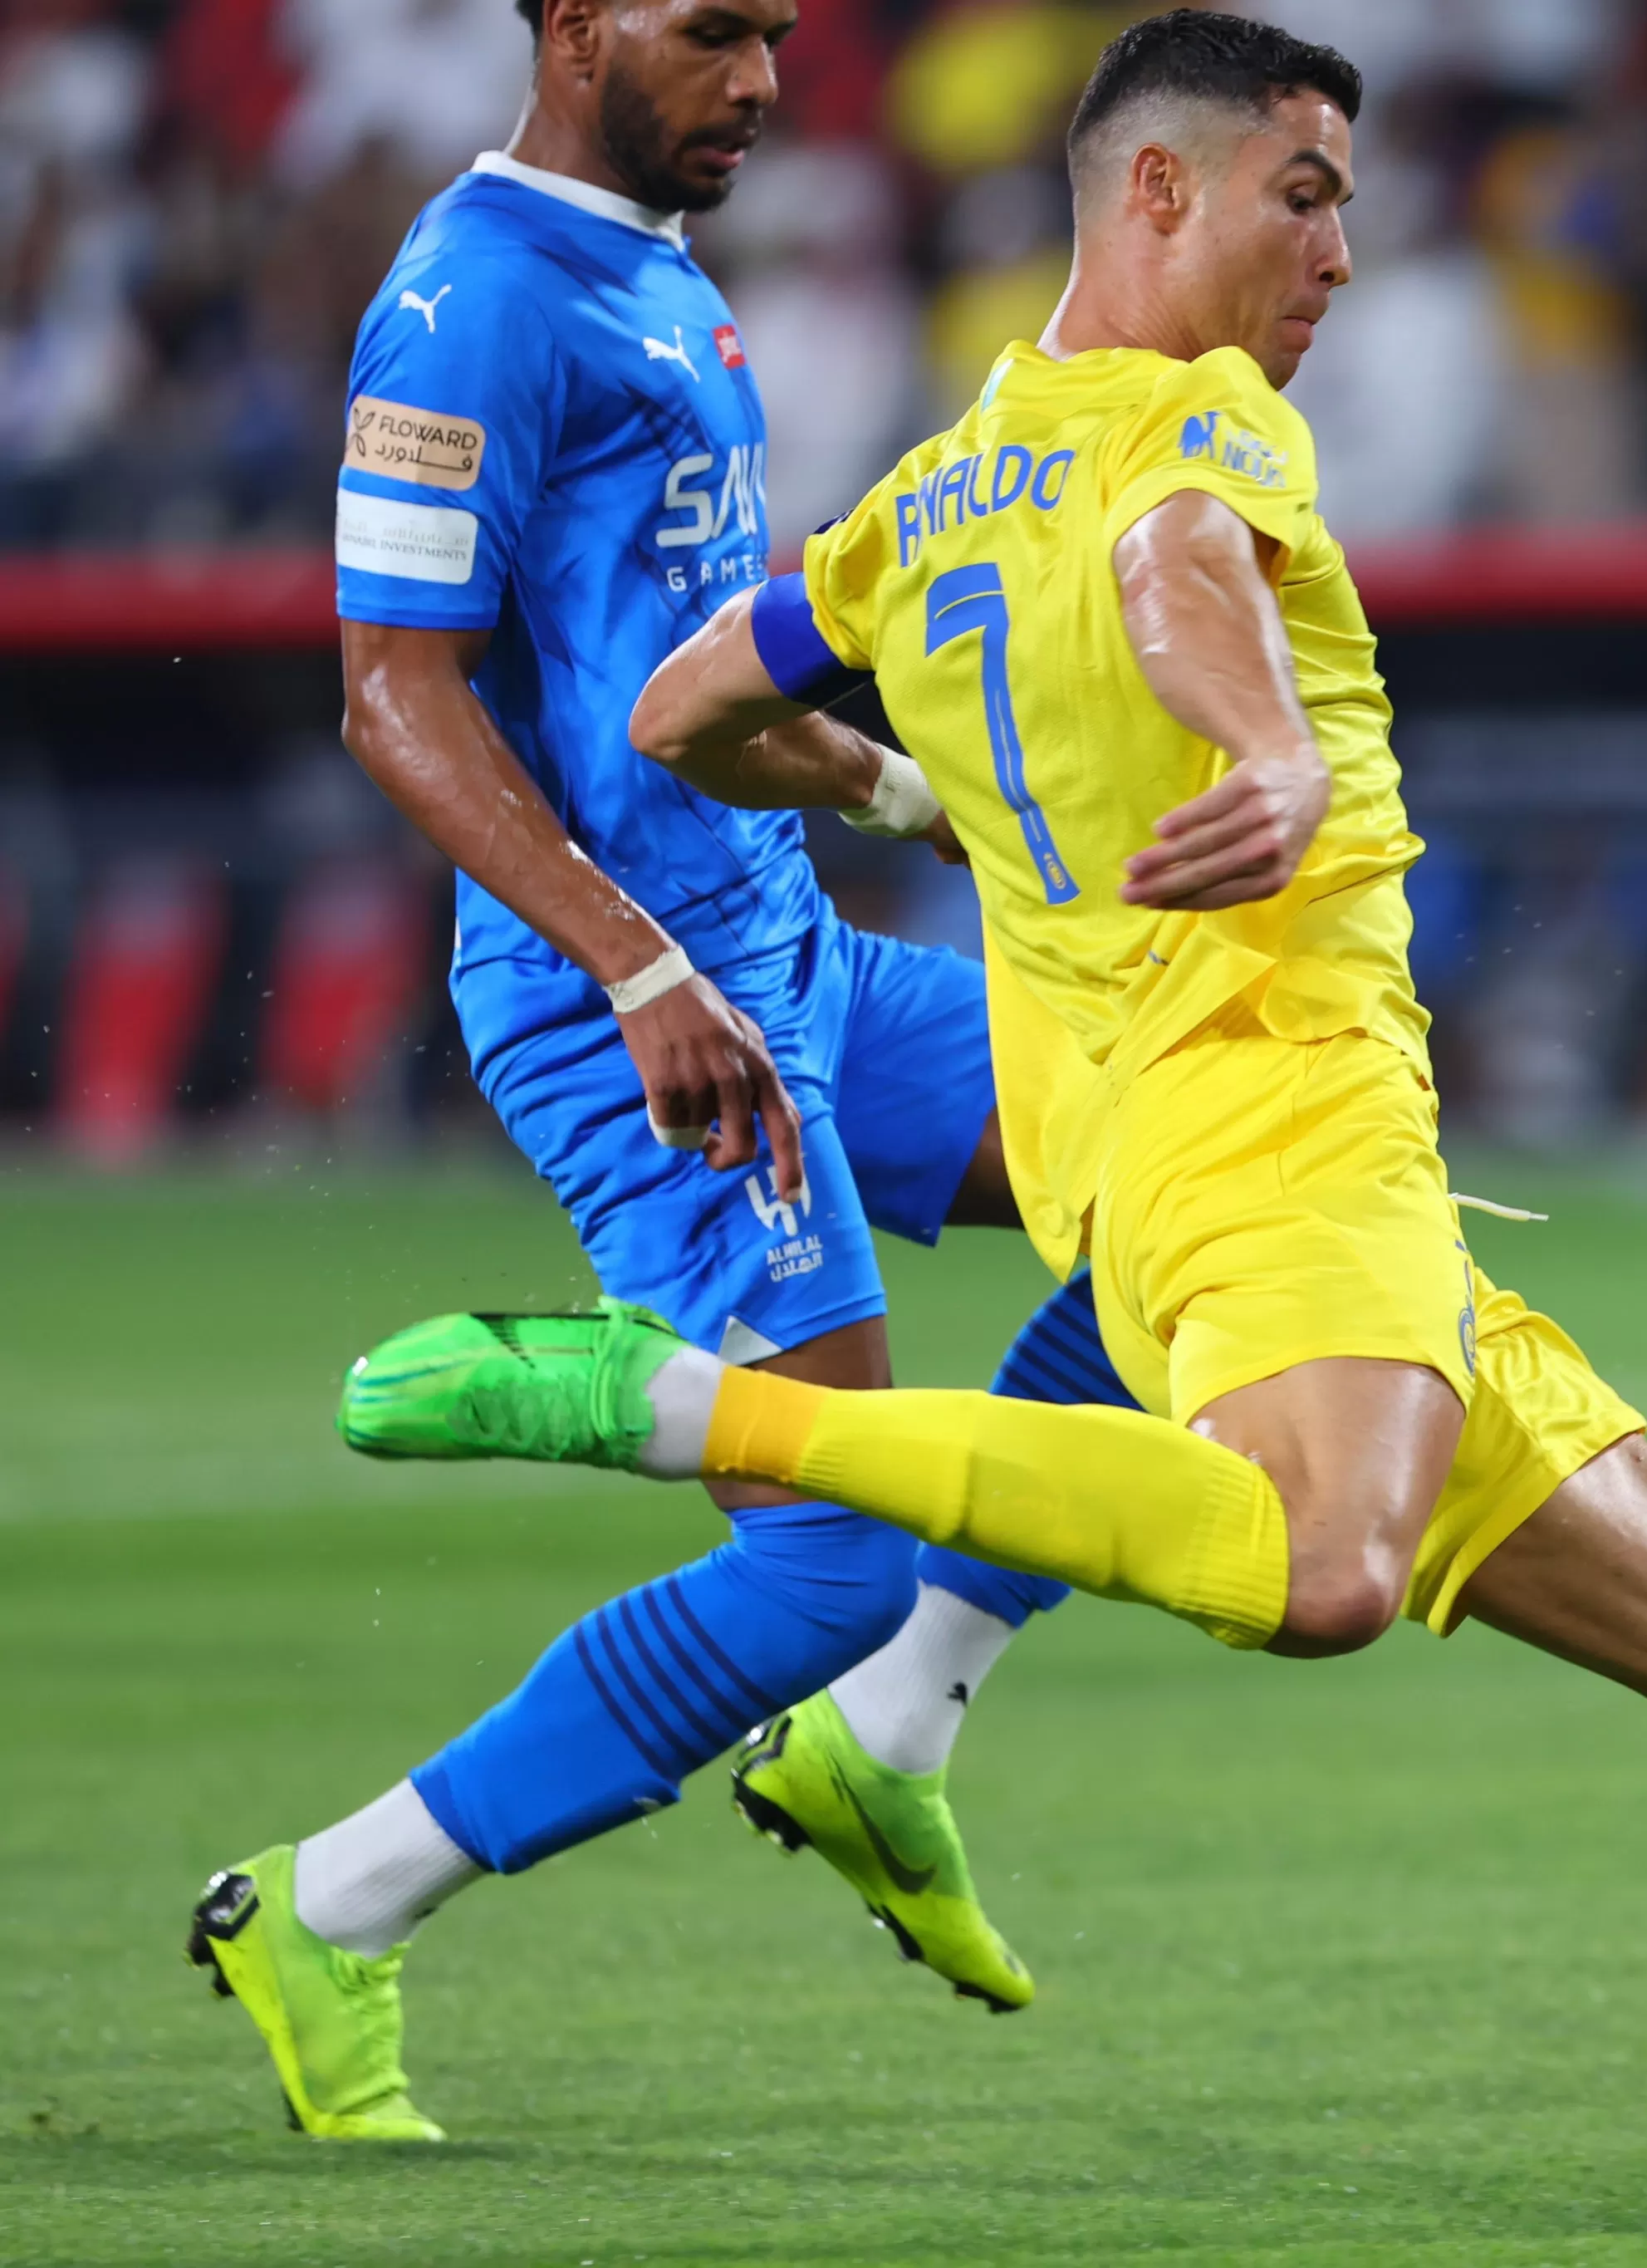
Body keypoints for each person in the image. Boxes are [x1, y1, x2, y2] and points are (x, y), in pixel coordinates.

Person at [330, 9, 1647, 2219]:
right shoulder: (1196, 430)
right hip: (1280, 1148)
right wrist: (1281, 760)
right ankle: (685, 1414)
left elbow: (685, 702)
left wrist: (896, 785)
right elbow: (1178, 580)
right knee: (1324, 1574)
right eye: (1305, 194)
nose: (1341, 251)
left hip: (1240, 1172)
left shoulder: (931, 488)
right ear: (1159, 192)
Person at [185, 0, 1136, 2146]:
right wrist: (629, 968)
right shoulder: (470, 305)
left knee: (1180, 1165)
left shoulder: (657, 270)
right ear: (572, 23)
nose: (766, 82)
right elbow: (391, 702)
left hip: (787, 946)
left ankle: (888, 1740)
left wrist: (917, 796)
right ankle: (331, 1903)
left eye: (779, 35)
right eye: (713, 34)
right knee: (822, 1560)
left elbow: (679, 680)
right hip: (640, 1011)